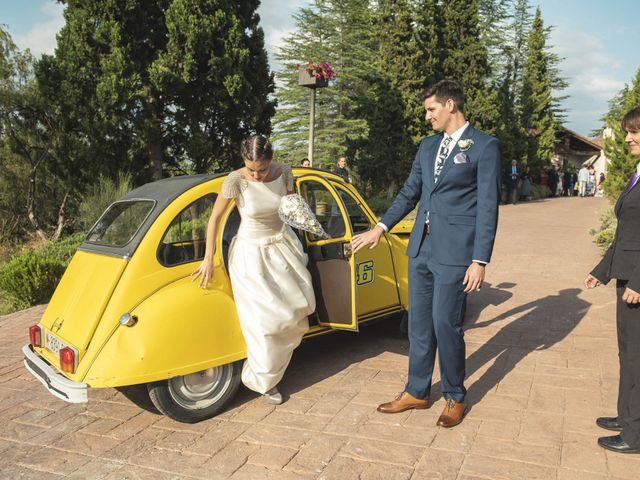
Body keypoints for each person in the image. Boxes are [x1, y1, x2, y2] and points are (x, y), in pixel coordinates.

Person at [352, 79, 501, 428]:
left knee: (445, 324)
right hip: (421, 248)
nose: (427, 117)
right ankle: (417, 391)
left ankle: (454, 395)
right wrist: (380, 227)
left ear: (450, 105)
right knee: (418, 324)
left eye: (431, 109)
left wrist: (480, 260)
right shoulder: (427, 147)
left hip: (455, 252)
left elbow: (488, 207)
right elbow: (409, 192)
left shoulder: (484, 146)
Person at [192, 135, 315, 405]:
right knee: (264, 324)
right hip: (250, 255)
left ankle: (274, 368)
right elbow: (214, 219)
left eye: (261, 169)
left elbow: (290, 205)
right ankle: (265, 381)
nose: (257, 175)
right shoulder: (235, 180)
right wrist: (207, 257)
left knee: (293, 313)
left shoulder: (284, 172)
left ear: (271, 160)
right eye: (251, 169)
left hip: (283, 247)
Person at [584, 107, 640, 454]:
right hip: (626, 278)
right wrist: (602, 270)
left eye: (636, 132)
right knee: (627, 353)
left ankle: (634, 435)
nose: (630, 138)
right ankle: (627, 415)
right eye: (629, 132)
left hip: (636, 284)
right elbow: (627, 232)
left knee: (636, 356)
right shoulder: (638, 173)